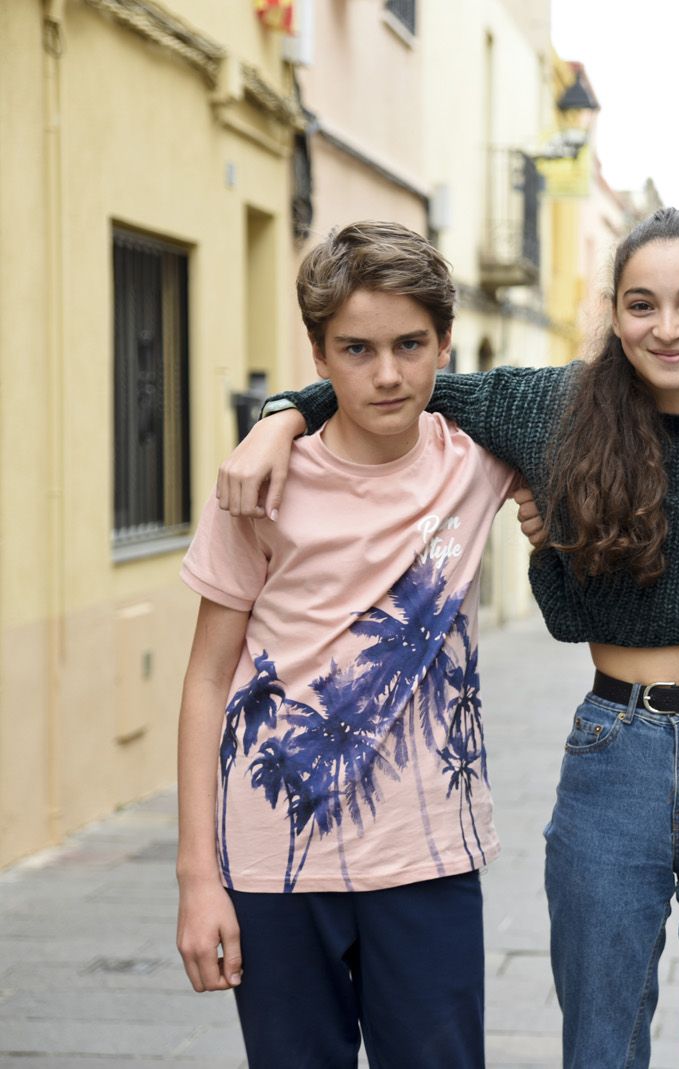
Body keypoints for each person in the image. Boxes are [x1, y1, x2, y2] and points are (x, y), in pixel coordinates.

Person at [217, 208, 679, 1067]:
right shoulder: (554, 408)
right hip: (617, 746)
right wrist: (280, 415)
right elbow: (403, 380)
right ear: (613, 312)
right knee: (600, 1043)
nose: (668, 327)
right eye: (642, 304)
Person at [175, 221, 518, 1066]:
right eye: (357, 349)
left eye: (410, 344)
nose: (388, 374)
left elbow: (628, 388)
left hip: (428, 858)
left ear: (444, 344)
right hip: (276, 861)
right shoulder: (258, 481)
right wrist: (197, 877)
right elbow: (207, 679)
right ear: (320, 355)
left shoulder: (479, 459)